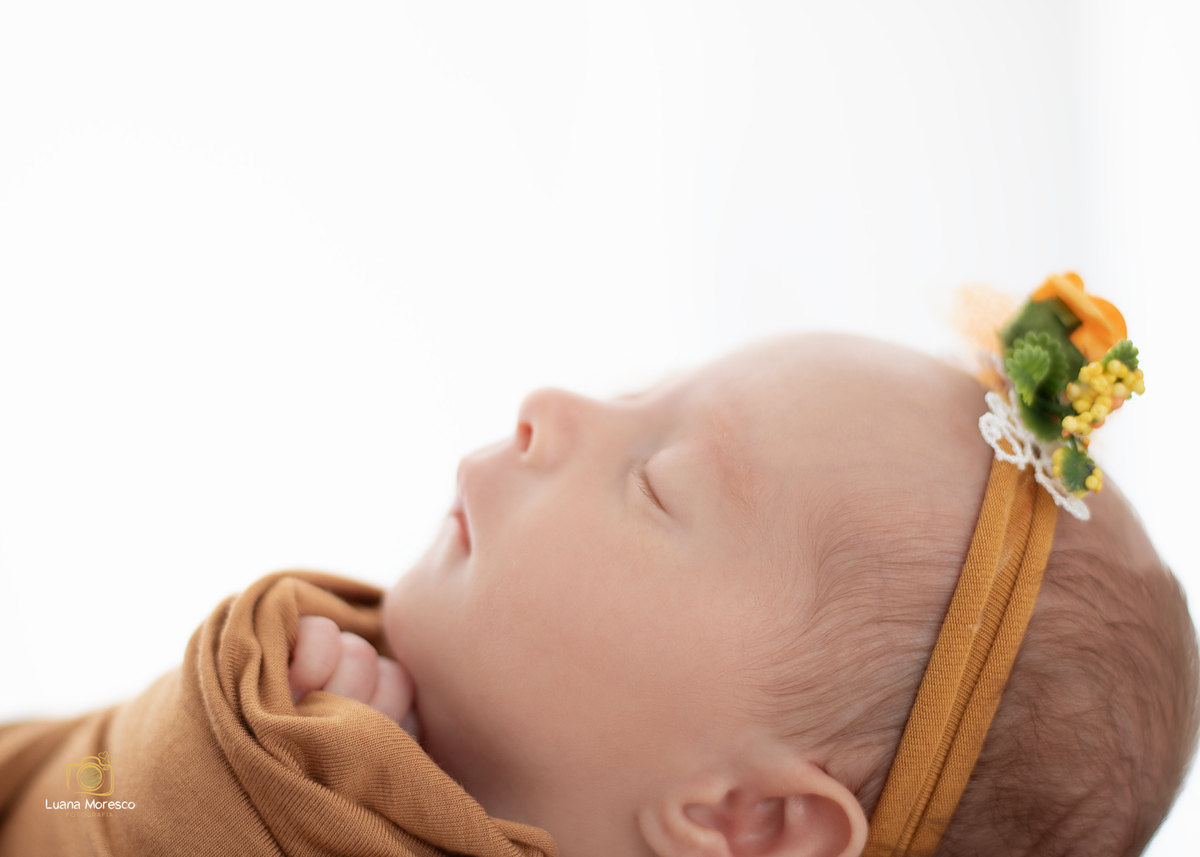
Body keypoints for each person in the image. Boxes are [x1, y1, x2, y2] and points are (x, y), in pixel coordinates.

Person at [3, 330, 1196, 857]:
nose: (552, 404)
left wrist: (274, 791)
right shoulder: (331, 705)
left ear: (749, 820)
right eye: (640, 387)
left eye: (658, 479)